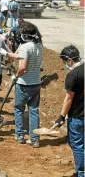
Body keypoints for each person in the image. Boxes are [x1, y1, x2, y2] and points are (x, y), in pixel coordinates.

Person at [5, 22, 43, 147]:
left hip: (24, 83)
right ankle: (35, 139)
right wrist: (8, 54)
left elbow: (23, 67)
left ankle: (20, 135)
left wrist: (15, 76)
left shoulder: (26, 47)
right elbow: (21, 57)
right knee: (33, 110)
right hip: (36, 82)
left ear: (25, 35)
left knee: (19, 109)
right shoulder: (39, 46)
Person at [55, 45, 84, 177]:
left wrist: (62, 116)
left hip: (77, 116)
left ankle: (81, 173)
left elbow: (68, 98)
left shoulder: (73, 75)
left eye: (64, 62)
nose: (65, 65)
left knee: (77, 145)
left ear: (70, 60)